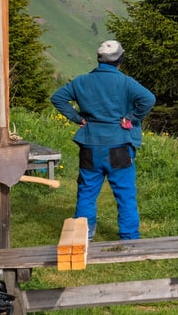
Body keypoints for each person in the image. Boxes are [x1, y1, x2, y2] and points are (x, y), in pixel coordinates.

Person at [50, 40, 156, 240]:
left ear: (99, 59)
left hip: (90, 144)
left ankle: (83, 236)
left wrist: (77, 118)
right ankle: (129, 237)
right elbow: (148, 99)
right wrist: (131, 118)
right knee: (125, 194)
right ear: (120, 60)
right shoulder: (125, 82)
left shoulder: (81, 81)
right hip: (119, 146)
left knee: (87, 192)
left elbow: (58, 98)